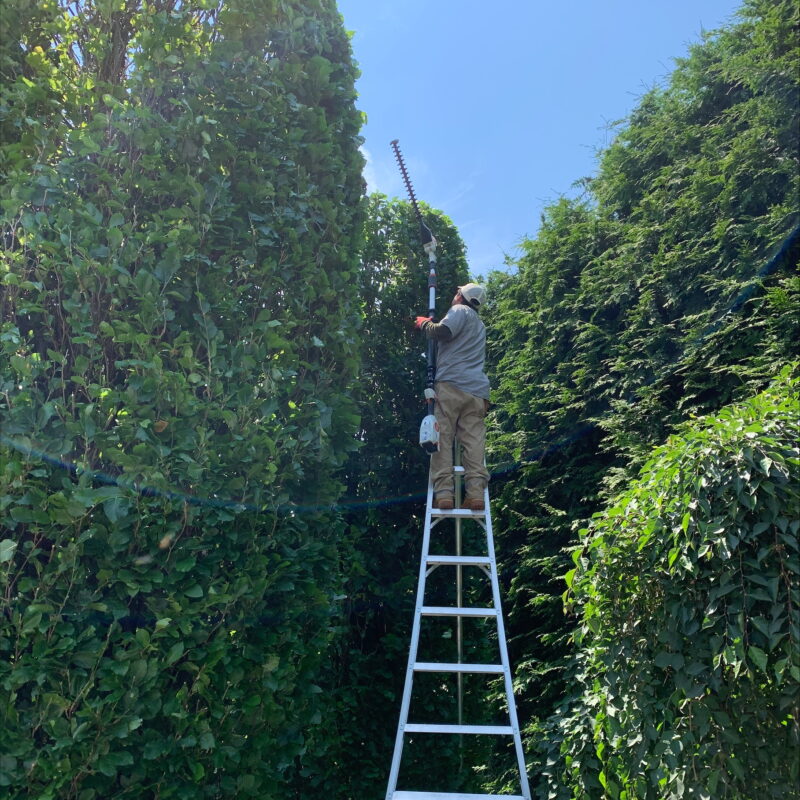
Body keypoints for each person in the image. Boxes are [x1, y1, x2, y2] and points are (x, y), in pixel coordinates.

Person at [415, 282, 490, 511]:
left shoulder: (459, 311)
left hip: (451, 385)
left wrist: (424, 324)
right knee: (473, 442)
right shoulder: (480, 325)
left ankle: (445, 493)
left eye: (457, 292)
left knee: (442, 438)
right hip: (477, 392)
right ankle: (475, 494)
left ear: (461, 296)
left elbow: (443, 332)